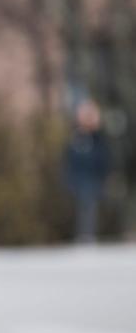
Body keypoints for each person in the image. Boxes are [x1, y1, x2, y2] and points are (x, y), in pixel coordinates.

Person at [64, 99, 111, 244]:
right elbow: (69, 160)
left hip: (93, 180)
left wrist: (104, 177)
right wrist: (69, 179)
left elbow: (103, 159)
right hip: (79, 180)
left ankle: (88, 234)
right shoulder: (75, 138)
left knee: (90, 207)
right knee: (82, 207)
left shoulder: (98, 139)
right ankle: (82, 234)